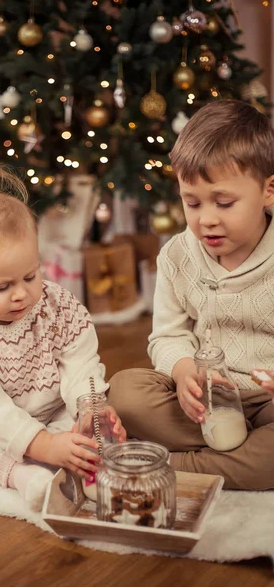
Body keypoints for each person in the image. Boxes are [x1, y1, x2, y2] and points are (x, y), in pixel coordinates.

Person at [0, 162, 125, 511]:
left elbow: (80, 363)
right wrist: (42, 445)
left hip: (54, 412)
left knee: (95, 430)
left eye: (30, 276)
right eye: (3, 286)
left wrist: (87, 409)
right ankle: (19, 475)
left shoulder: (57, 305)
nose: (21, 294)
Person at [107, 100, 274, 490]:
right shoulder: (178, 256)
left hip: (267, 405)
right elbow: (167, 335)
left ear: (269, 191)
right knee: (125, 393)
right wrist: (183, 371)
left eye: (224, 202)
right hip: (204, 406)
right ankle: (233, 458)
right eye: (192, 202)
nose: (206, 219)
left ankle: (168, 465)